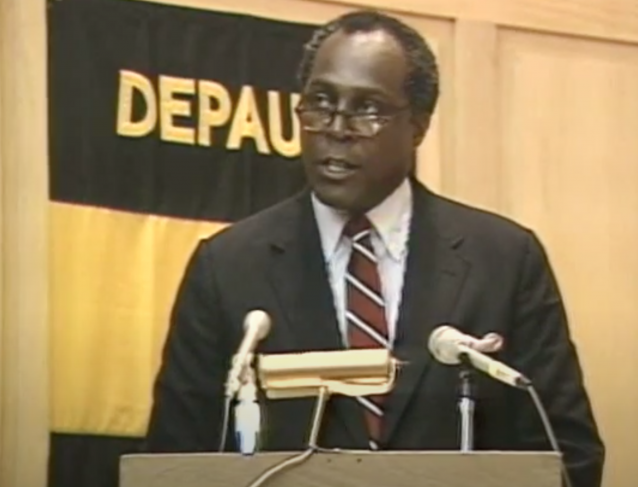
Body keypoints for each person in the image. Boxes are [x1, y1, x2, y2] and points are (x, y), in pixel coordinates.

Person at [144, 9, 605, 487]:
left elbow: (566, 455)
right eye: (320, 102)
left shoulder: (505, 260)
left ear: (419, 126)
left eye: (367, 108)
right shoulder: (227, 265)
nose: (336, 128)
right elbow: (175, 457)